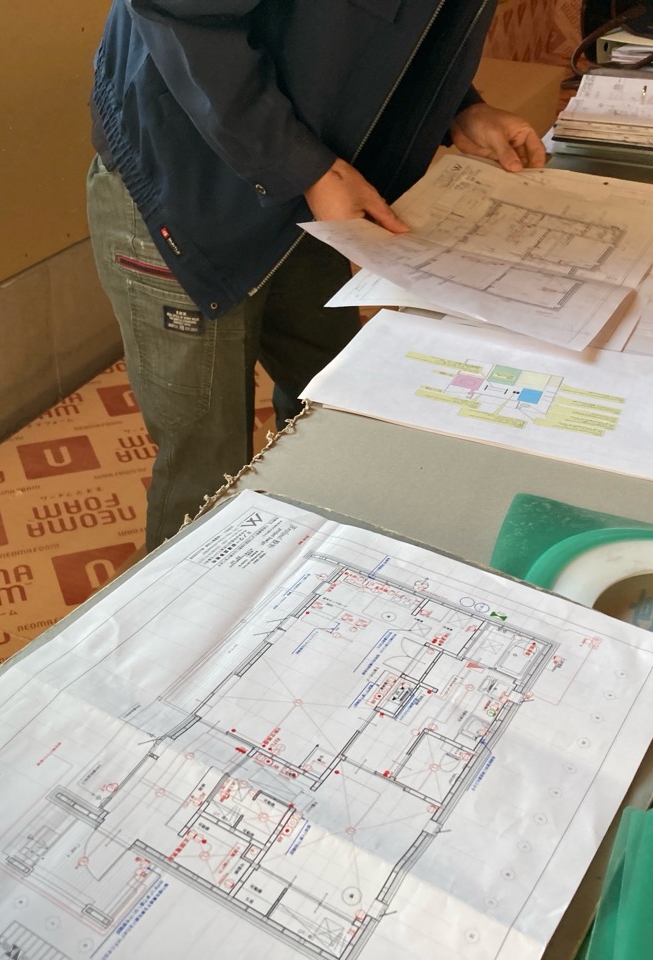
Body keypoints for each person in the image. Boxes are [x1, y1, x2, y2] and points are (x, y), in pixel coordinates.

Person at [87, 0, 546, 550]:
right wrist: (305, 168)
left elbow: (382, 26)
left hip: (311, 185)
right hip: (187, 184)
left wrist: (461, 106)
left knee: (327, 408)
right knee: (206, 469)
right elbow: (182, 17)